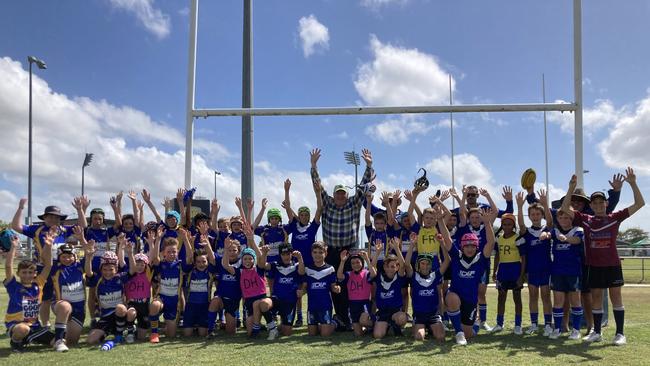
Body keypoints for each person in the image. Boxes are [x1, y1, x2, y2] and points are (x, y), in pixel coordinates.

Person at [561, 168, 645, 345]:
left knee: (616, 298)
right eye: (595, 203)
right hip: (594, 265)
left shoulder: (615, 217)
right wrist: (571, 188)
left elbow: (640, 203)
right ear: (591, 206)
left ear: (606, 204)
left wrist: (633, 183)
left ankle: (620, 334)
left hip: (612, 265)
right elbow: (564, 208)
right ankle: (597, 332)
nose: (598, 205)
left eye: (601, 202)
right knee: (596, 298)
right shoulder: (586, 219)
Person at [310, 147, 375, 327]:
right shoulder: (328, 203)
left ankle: (354, 316)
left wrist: (369, 165)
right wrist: (313, 166)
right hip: (330, 252)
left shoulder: (354, 203)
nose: (340, 196)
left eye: (343, 193)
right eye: (338, 193)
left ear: (347, 195)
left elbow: (363, 185)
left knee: (351, 284)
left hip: (349, 250)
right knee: (335, 285)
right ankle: (340, 317)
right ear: (334, 195)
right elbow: (318, 185)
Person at [11, 199, 83, 327]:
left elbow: (82, 227)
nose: (53, 219)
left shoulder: (63, 229)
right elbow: (16, 226)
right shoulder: (37, 229)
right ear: (44, 217)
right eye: (50, 216)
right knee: (45, 299)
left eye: (56, 217)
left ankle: (65, 320)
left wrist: (79, 209)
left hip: (61, 267)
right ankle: (45, 324)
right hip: (43, 269)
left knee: (63, 296)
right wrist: (21, 208)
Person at [445, 208, 497, 346]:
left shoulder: (481, 259)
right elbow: (447, 239)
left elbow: (490, 243)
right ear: (462, 246)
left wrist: (487, 224)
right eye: (466, 246)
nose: (469, 248)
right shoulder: (457, 256)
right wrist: (439, 220)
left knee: (470, 334)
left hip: (470, 300)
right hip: (456, 294)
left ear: (476, 247)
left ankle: (476, 324)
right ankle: (458, 333)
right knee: (450, 297)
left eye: (472, 246)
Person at [221, 222, 277, 339]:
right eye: (245, 258)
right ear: (242, 260)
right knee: (250, 332)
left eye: (250, 259)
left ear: (253, 260)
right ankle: (257, 326)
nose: (247, 261)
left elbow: (261, 259)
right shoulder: (240, 271)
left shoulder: (258, 269)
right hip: (248, 302)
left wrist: (252, 241)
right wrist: (226, 249)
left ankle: (272, 328)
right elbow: (225, 265)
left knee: (260, 303)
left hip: (262, 300)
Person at [4, 229, 55, 352]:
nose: (27, 275)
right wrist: (13, 247)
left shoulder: (38, 284)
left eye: (30, 272)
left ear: (35, 274)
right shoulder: (13, 286)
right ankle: (16, 341)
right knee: (23, 329)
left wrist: (48, 246)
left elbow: (48, 265)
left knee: (58, 340)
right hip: (17, 325)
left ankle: (28, 339)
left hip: (34, 326)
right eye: (24, 272)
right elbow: (8, 266)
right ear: (18, 273)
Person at [540, 207, 584, 340]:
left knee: (575, 301)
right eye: (561, 217)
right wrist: (545, 235)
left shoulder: (578, 230)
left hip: (573, 272)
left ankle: (576, 330)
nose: (563, 220)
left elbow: (577, 240)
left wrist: (566, 239)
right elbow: (547, 234)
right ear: (557, 219)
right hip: (557, 271)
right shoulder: (555, 231)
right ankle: (557, 329)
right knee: (558, 301)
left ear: (572, 218)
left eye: (567, 217)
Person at [283, 178, 322, 326]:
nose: (304, 217)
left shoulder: (312, 227)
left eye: (306, 215)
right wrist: (287, 191)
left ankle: (313, 316)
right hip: (296, 264)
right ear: (299, 216)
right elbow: (288, 208)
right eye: (302, 215)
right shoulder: (294, 226)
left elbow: (319, 209)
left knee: (310, 289)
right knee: (297, 291)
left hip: (311, 264)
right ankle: (299, 317)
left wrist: (318, 193)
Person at [405, 223, 451, 342]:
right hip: (419, 315)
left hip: (433, 314)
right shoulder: (414, 275)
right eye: (422, 263)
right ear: (419, 265)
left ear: (431, 265)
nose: (425, 266)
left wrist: (441, 244)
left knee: (440, 337)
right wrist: (411, 245)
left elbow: (447, 261)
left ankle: (432, 327)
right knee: (419, 337)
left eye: (427, 264)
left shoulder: (435, 275)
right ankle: (422, 327)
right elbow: (406, 264)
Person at [49, 226, 94, 348]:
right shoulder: (55, 268)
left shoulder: (79, 266)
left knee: (73, 341)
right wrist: (49, 244)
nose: (67, 259)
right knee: (65, 306)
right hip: (61, 304)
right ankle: (58, 340)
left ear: (75, 256)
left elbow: (88, 258)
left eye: (70, 256)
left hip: (79, 307)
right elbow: (46, 259)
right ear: (59, 257)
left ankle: (54, 337)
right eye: (64, 256)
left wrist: (81, 238)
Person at [516, 191, 553, 336]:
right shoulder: (527, 231)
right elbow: (520, 223)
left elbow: (550, 221)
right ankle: (534, 324)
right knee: (533, 296)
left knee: (545, 296)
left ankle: (548, 325)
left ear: (542, 215)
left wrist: (545, 204)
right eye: (533, 214)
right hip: (532, 269)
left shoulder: (547, 229)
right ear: (529, 216)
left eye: (538, 214)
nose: (535, 216)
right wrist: (519, 206)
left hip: (546, 268)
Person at [148, 226, 193, 343]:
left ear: (177, 252)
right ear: (164, 253)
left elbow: (190, 257)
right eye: (169, 252)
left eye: (174, 251)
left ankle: (166, 327)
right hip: (162, 298)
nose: (172, 254)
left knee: (171, 335)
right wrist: (158, 239)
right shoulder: (161, 264)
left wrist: (186, 239)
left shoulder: (180, 265)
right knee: (154, 306)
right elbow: (155, 258)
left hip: (174, 301)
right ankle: (154, 333)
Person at [85, 246, 136, 346]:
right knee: (91, 340)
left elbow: (133, 270)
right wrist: (89, 257)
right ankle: (109, 332)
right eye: (105, 269)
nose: (108, 272)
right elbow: (88, 273)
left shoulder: (120, 278)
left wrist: (130, 254)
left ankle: (120, 334)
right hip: (106, 317)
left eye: (111, 269)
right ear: (101, 269)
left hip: (121, 314)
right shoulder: (99, 279)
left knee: (120, 307)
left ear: (116, 269)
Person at [491, 213, 524, 335]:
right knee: (501, 297)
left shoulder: (518, 238)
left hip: (515, 269)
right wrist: (494, 271)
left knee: (517, 297)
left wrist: (521, 275)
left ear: (513, 225)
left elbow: (523, 257)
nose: (506, 226)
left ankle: (518, 325)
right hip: (503, 270)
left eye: (509, 224)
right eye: (504, 224)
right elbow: (498, 255)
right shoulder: (498, 238)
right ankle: (499, 323)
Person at [368, 238, 408, 339]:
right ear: (384, 267)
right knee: (377, 335)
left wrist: (397, 248)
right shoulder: (379, 277)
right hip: (382, 312)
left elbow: (403, 265)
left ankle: (393, 325)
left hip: (395, 312)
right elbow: (372, 267)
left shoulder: (398, 277)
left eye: (393, 266)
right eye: (388, 266)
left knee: (402, 318)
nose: (390, 269)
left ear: (397, 267)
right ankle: (388, 326)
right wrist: (377, 252)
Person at [265, 243, 305, 337]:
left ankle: (281, 324)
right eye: (283, 254)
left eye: (288, 254)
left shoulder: (297, 265)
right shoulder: (275, 265)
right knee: (263, 304)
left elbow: (302, 272)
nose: (286, 256)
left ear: (292, 254)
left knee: (286, 333)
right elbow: (263, 265)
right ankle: (271, 326)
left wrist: (300, 258)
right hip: (276, 299)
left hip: (290, 302)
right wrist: (263, 253)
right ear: (280, 255)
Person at [181, 232, 217, 337]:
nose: (201, 264)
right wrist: (186, 240)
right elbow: (189, 257)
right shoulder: (191, 270)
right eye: (198, 262)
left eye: (204, 262)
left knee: (202, 334)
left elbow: (213, 258)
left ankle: (200, 326)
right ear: (195, 263)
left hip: (204, 306)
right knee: (187, 335)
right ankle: (191, 324)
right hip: (190, 306)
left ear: (207, 262)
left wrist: (207, 245)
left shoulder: (210, 271)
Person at [122, 232, 155, 342]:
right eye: (137, 264)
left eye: (142, 264)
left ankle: (136, 329)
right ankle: (130, 331)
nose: (139, 266)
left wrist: (151, 244)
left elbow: (152, 257)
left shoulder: (148, 275)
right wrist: (127, 251)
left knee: (141, 337)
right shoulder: (129, 274)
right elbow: (122, 262)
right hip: (132, 304)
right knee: (131, 313)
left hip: (144, 306)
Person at [304, 241, 341, 337]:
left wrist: (336, 288)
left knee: (325, 334)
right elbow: (304, 287)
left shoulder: (330, 269)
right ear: (311, 253)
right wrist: (301, 291)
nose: (317, 255)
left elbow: (333, 287)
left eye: (320, 252)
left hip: (325, 305)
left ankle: (335, 322)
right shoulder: (307, 269)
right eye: (315, 252)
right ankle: (324, 324)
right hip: (312, 306)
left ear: (326, 253)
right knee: (312, 334)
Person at [207, 238, 242, 337]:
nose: (232, 252)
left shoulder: (242, 264)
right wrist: (206, 243)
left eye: (234, 250)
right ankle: (210, 329)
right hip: (221, 297)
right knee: (215, 301)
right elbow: (212, 257)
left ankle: (228, 320)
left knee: (231, 332)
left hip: (233, 300)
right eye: (229, 250)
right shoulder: (221, 260)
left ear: (239, 251)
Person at [337, 250, 374, 336]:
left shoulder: (366, 273)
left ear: (362, 262)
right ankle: (365, 328)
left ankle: (375, 324)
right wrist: (342, 261)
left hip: (364, 303)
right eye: (353, 263)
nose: (355, 265)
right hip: (353, 304)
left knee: (363, 320)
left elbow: (373, 274)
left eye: (358, 262)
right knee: (358, 334)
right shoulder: (349, 274)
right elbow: (339, 275)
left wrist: (367, 259)